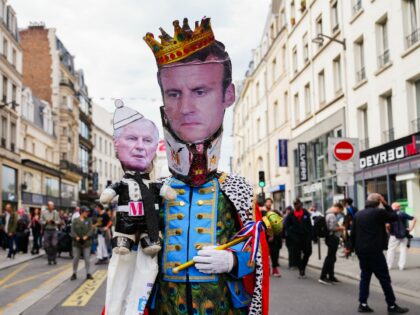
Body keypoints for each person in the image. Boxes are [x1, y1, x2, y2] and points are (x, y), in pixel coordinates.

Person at [144, 17, 269, 315]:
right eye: (174, 94)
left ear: (228, 95)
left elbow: (257, 251)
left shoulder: (236, 188)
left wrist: (234, 260)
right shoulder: (155, 191)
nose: (186, 107)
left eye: (200, 91)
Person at [351, 193, 409, 314]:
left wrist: (353, 248)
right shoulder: (378, 212)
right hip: (374, 251)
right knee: (384, 278)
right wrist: (386, 203)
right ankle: (392, 305)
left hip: (362, 251)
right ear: (378, 201)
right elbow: (394, 217)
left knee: (365, 277)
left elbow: (353, 234)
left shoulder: (358, 214)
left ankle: (362, 303)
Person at [283, 198, 312, 279]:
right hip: (296, 238)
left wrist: (311, 235)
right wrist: (291, 235)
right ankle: (301, 270)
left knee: (308, 252)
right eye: (295, 204)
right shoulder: (291, 214)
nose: (296, 205)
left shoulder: (305, 213)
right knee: (297, 254)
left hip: (305, 237)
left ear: (301, 204)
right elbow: (286, 226)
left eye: (297, 204)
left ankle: (303, 266)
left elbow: (309, 225)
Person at [319, 203, 345, 285]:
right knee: (330, 258)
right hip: (332, 238)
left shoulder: (328, 214)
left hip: (330, 238)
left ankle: (331, 276)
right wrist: (341, 228)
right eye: (340, 210)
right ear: (337, 208)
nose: (340, 212)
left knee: (332, 257)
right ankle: (323, 277)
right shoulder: (332, 215)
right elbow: (332, 228)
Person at [386, 202, 417, 271]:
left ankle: (389, 265)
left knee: (391, 250)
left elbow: (387, 225)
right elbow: (414, 218)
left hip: (394, 235)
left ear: (393, 207)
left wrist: (388, 231)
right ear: (399, 207)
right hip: (403, 234)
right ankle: (401, 266)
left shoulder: (390, 214)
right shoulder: (403, 214)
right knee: (403, 250)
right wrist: (411, 228)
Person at [70, 206, 94, 281]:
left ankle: (88, 273)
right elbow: (72, 230)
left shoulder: (89, 220)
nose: (87, 213)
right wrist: (76, 237)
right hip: (76, 242)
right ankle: (74, 273)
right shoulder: (75, 220)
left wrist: (86, 236)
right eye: (86, 212)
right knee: (76, 258)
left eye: (88, 212)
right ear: (82, 212)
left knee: (87, 258)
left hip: (86, 242)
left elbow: (91, 229)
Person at [264, 198, 282, 277]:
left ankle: (275, 268)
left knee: (274, 253)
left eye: (270, 202)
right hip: (264, 235)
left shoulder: (274, 212)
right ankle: (266, 268)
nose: (268, 203)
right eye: (267, 202)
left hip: (274, 237)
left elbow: (279, 222)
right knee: (265, 253)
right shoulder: (262, 212)